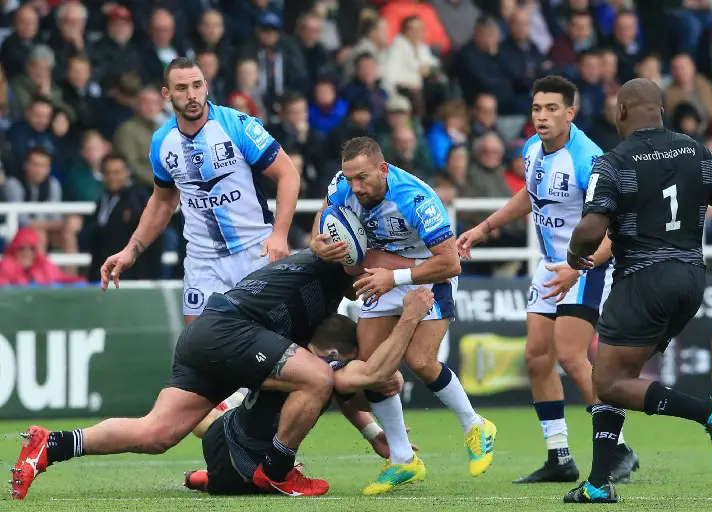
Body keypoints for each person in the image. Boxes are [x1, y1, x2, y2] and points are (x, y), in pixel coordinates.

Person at [9, 249, 431, 500]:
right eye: (373, 270)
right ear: (352, 260)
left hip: (207, 336)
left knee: (156, 434)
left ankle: (54, 445)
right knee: (318, 378)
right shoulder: (323, 261)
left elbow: (337, 384)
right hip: (231, 329)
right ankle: (280, 472)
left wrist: (374, 433)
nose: (377, 281)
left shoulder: (327, 310)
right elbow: (333, 380)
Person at [563, 78, 712, 503]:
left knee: (609, 380)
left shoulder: (614, 162)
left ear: (620, 113)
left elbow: (591, 229)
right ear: (661, 112)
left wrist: (576, 254)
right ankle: (599, 484)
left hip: (644, 280)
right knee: (616, 376)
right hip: (691, 281)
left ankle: (711, 412)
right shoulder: (698, 152)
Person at [458, 75, 639, 484]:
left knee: (572, 354)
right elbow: (529, 194)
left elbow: (613, 228)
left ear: (571, 112)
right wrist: (484, 228)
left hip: (589, 267)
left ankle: (620, 449)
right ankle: (559, 455)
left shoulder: (588, 159)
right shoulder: (532, 150)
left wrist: (579, 266)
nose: (542, 116)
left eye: (552, 108)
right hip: (550, 265)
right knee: (537, 358)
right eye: (537, 108)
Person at [309, 137, 496, 495]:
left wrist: (393, 278)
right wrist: (319, 237)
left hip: (426, 274)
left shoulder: (416, 199)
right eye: (350, 179)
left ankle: (476, 425)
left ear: (383, 169)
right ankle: (402, 460)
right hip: (380, 275)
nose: (355, 187)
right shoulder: (344, 184)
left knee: (421, 361)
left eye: (362, 178)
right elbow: (325, 212)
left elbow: (450, 262)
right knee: (373, 365)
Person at [98, 57, 300, 325]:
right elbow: (163, 201)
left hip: (255, 251)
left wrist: (280, 234)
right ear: (166, 94)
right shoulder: (161, 141)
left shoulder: (237, 125)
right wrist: (131, 251)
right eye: (181, 88)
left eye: (196, 85)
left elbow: (287, 174)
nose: (191, 95)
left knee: (271, 346)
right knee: (201, 352)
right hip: (202, 260)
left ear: (206, 86)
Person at [182, 312, 426, 496]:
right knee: (264, 476)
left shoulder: (294, 353)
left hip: (224, 439)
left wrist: (373, 433)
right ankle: (217, 474)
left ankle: (204, 476)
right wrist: (410, 318)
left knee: (232, 445)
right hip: (243, 462)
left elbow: (344, 393)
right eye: (351, 359)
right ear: (333, 353)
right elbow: (380, 376)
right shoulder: (324, 368)